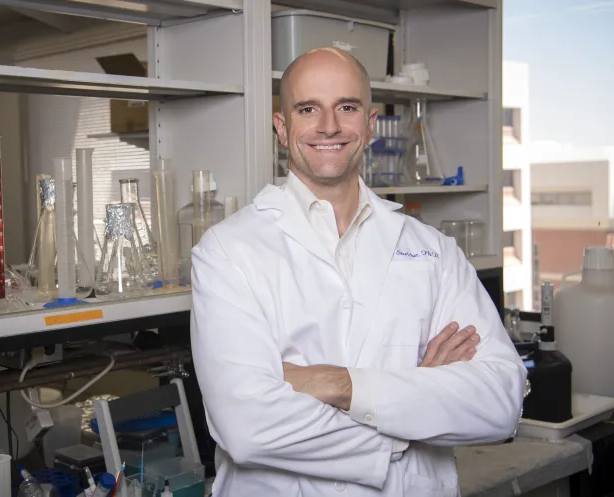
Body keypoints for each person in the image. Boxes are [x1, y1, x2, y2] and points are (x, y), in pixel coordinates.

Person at [190, 47, 527, 497]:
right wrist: (418, 411)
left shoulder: (432, 251)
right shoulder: (227, 251)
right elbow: (247, 427)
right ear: (281, 127)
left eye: (346, 107)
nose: (329, 126)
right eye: (308, 109)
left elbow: (500, 403)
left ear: (369, 126)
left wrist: (339, 384)